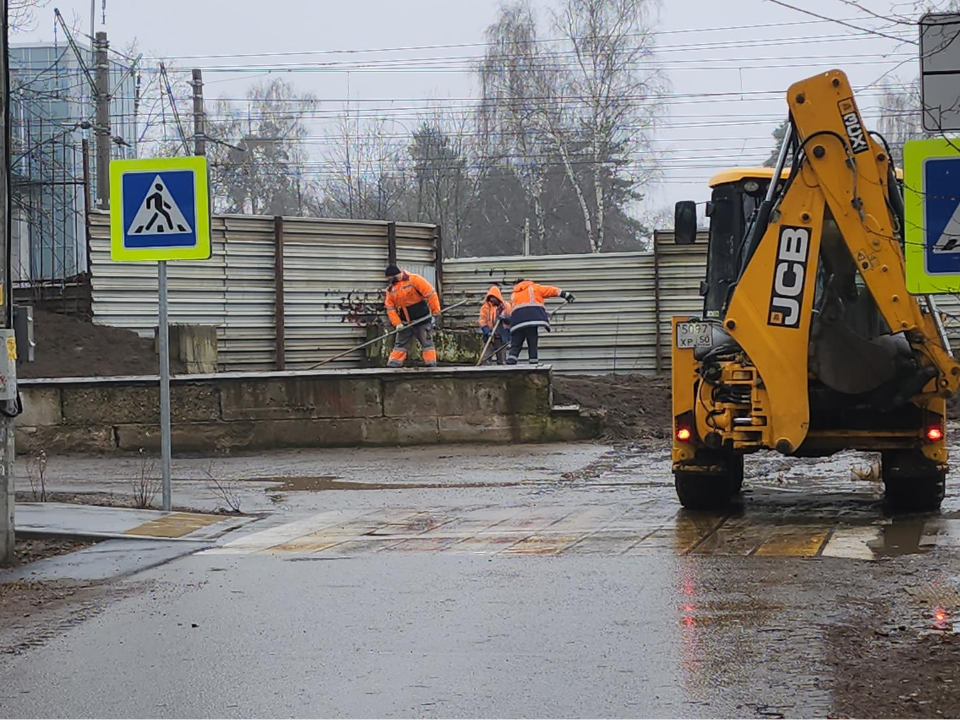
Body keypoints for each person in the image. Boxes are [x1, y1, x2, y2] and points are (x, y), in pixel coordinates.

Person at [384, 263, 441, 368]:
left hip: (422, 319)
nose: (388, 281)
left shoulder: (414, 279)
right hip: (405, 323)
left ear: (394, 275)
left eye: (389, 278)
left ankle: (431, 365)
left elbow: (430, 293)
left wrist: (436, 311)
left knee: (427, 343)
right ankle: (393, 365)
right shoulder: (391, 289)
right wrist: (397, 323)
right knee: (400, 345)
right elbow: (390, 308)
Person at [507, 278, 575, 366]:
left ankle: (510, 364)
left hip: (517, 323)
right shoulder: (533, 287)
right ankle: (533, 364)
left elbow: (514, 309)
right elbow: (549, 290)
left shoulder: (514, 294)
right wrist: (565, 294)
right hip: (530, 320)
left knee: (516, 344)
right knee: (532, 341)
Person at [478, 284, 512, 365]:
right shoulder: (485, 307)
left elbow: (512, 319)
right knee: (485, 359)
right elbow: (482, 321)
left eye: (493, 298)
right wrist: (487, 331)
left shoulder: (506, 306)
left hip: (502, 338)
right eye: (490, 298)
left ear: (497, 297)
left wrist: (504, 318)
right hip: (490, 338)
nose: (491, 300)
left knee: (502, 361)